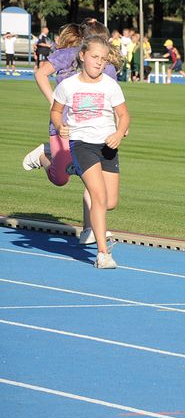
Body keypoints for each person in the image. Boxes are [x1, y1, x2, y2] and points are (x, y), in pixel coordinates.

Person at [23, 19, 123, 245]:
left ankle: (89, 228)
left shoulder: (107, 67)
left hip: (92, 130)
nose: (101, 54)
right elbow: (41, 74)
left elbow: (114, 98)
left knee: (96, 185)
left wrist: (118, 125)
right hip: (64, 126)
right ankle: (43, 154)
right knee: (60, 179)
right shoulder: (68, 55)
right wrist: (53, 101)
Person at [50, 35, 131, 269]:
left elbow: (124, 115)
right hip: (82, 143)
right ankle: (103, 253)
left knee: (111, 202)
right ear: (82, 56)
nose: (99, 62)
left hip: (107, 146)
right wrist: (59, 125)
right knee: (98, 197)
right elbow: (56, 111)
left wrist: (118, 133)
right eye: (95, 57)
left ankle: (75, 168)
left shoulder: (110, 85)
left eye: (103, 59)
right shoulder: (68, 85)